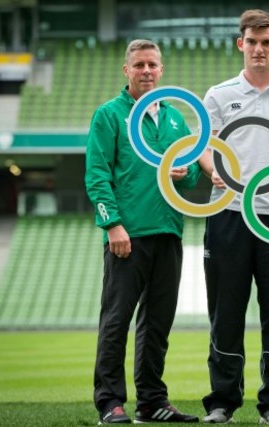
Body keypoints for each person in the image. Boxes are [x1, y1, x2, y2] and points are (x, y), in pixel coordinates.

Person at [196, 9, 269, 425]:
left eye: (267, 42)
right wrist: (216, 172)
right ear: (240, 44)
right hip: (228, 213)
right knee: (225, 310)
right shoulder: (218, 94)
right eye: (252, 41)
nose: (260, 49)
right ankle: (222, 401)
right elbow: (205, 150)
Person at [85, 39, 201, 425]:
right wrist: (112, 224)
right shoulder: (109, 115)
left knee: (158, 324)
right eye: (139, 65)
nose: (147, 71)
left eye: (153, 64)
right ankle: (110, 402)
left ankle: (152, 401)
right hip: (127, 236)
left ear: (162, 70)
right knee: (117, 320)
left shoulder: (175, 119)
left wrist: (187, 174)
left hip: (168, 232)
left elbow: (193, 177)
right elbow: (97, 175)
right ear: (127, 70)